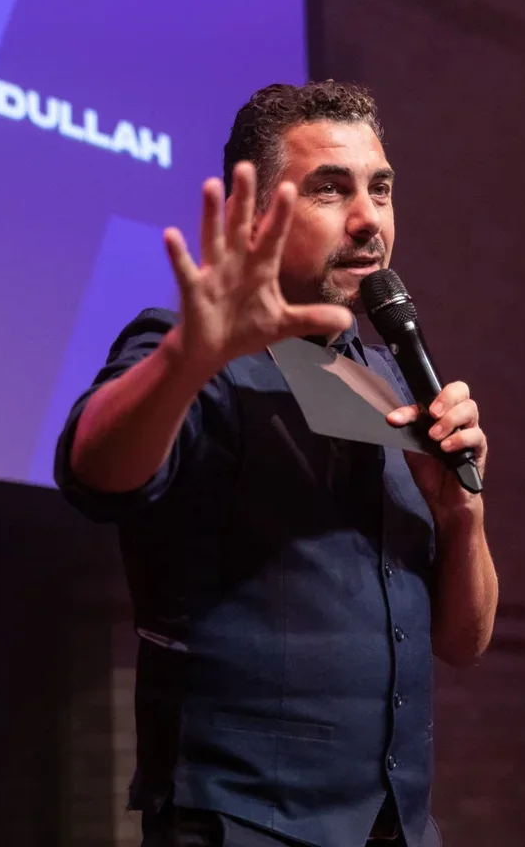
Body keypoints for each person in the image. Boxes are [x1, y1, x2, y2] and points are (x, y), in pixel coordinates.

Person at [54, 81, 499, 847]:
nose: (369, 221)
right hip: (246, 823)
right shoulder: (191, 352)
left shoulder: (385, 378)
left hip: (395, 828)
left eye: (381, 189)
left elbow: (464, 642)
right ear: (255, 210)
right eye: (332, 189)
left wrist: (462, 514)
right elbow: (91, 469)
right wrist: (188, 357)